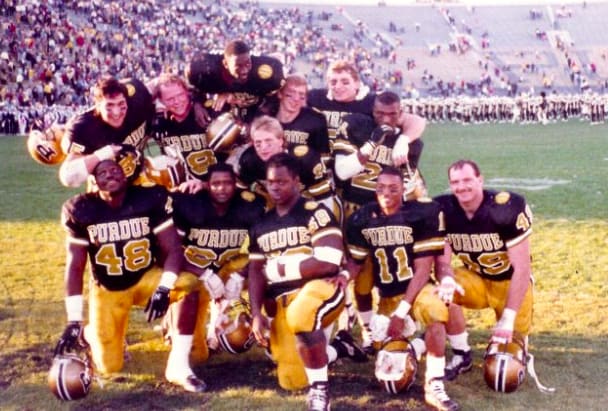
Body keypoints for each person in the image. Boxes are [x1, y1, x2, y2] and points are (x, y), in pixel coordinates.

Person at [54, 159, 206, 392]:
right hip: (108, 289)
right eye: (103, 173)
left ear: (126, 176)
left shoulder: (147, 199)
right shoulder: (81, 209)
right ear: (94, 182)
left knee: (188, 285)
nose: (110, 175)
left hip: (146, 278)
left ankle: (178, 365)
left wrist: (165, 287)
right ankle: (89, 332)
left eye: (115, 170)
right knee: (110, 366)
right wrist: (74, 319)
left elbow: (173, 248)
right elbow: (75, 266)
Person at [344, 167, 459, 411]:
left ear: (403, 190)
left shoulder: (419, 214)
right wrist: (342, 277)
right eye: (381, 188)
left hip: (417, 290)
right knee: (389, 366)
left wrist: (401, 312)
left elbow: (423, 268)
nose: (386, 193)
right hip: (387, 296)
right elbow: (356, 262)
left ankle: (434, 385)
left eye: (393, 188)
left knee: (436, 312)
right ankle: (418, 344)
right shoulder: (363, 218)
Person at [247, 153, 347, 411]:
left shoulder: (314, 212)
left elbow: (329, 260)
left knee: (301, 315)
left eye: (282, 181)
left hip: (320, 289)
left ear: (297, 181)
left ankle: (320, 391)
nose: (276, 187)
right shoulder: (262, 223)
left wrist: (282, 268)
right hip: (283, 301)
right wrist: (256, 312)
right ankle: (337, 350)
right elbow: (256, 271)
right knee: (291, 380)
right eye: (271, 182)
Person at [333, 90, 426, 350]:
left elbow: (407, 186)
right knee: (361, 277)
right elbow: (342, 172)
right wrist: (371, 145)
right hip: (355, 213)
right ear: (371, 112)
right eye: (380, 113)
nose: (385, 118)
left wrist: (403, 142)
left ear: (401, 113)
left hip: (387, 217)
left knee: (393, 273)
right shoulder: (356, 126)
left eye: (392, 114)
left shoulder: (410, 142)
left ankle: (402, 321)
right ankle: (366, 328)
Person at [434, 159, 534, 381]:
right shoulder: (445, 209)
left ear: (480, 180)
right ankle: (461, 353)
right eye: (455, 182)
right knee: (440, 290)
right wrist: (447, 280)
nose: (462, 187)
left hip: (509, 283)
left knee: (505, 367)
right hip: (477, 280)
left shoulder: (504, 207)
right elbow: (443, 263)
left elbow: (522, 267)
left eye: (468, 180)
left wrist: (508, 318)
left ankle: (511, 333)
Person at [171, 162, 266, 354]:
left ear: (235, 184)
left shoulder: (250, 205)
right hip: (193, 268)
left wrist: (240, 275)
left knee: (269, 274)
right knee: (197, 353)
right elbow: (172, 250)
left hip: (226, 266)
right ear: (206, 185)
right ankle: (173, 326)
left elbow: (262, 249)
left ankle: (271, 338)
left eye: (227, 183)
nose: (222, 188)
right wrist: (203, 274)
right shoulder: (190, 204)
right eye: (215, 184)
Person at [59, 76, 154, 187]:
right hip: (105, 190)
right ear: (98, 105)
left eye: (121, 104)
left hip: (138, 180)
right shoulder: (84, 127)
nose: (116, 112)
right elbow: (68, 177)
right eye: (109, 106)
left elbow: (159, 86)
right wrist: (104, 153)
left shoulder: (137, 99)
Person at [234, 115, 337, 217]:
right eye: (258, 143)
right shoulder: (249, 160)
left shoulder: (305, 159)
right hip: (275, 209)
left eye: (268, 141)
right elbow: (242, 193)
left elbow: (324, 199)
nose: (263, 147)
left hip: (310, 205)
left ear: (281, 140)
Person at [186, 39, 285, 124]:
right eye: (239, 66)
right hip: (223, 119)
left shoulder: (265, 70)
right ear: (225, 64)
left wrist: (258, 119)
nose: (245, 70)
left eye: (247, 63)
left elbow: (274, 98)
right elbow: (196, 88)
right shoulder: (208, 70)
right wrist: (197, 105)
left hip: (254, 115)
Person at [150, 73, 219, 191]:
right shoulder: (157, 124)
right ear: (160, 100)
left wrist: (198, 102)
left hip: (214, 186)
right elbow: (153, 158)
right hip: (181, 190)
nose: (177, 102)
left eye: (180, 95)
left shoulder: (207, 114)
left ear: (188, 92)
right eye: (170, 99)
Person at [274, 73, 330, 161]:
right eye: (291, 93)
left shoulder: (315, 120)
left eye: (301, 95)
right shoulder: (268, 117)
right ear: (280, 94)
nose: (296, 99)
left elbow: (324, 157)